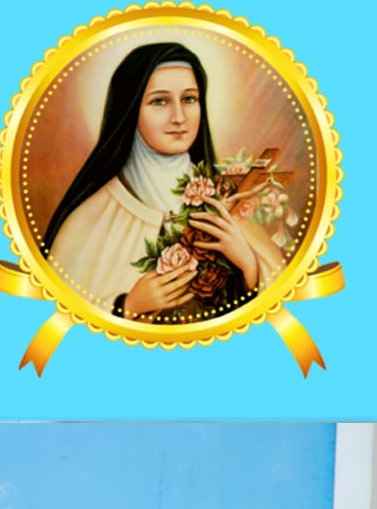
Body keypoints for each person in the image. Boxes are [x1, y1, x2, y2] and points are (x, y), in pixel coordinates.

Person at [39, 41, 285, 320]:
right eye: (159, 101)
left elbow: (280, 301)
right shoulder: (89, 220)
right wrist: (127, 306)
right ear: (131, 109)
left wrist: (249, 265)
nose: (179, 117)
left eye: (189, 99)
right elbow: (57, 316)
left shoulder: (226, 202)